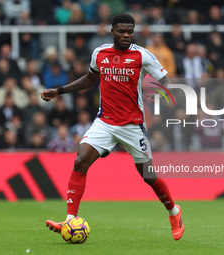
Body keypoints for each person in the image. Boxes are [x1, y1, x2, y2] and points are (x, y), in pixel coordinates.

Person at [41, 13, 184, 241]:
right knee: (81, 160)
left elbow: (166, 82)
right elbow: (89, 80)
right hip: (105, 121)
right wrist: (59, 91)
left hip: (132, 125)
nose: (126, 35)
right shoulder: (100, 53)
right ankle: (69, 220)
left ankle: (174, 212)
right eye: (122, 31)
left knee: (148, 176)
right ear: (113, 31)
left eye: (130, 31)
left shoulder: (142, 55)